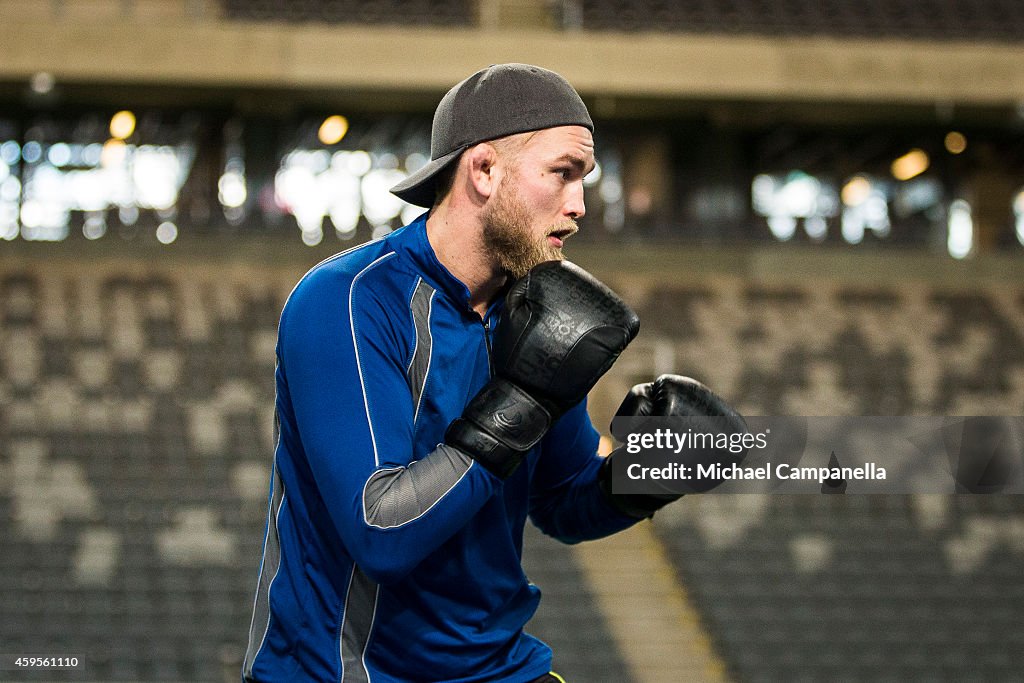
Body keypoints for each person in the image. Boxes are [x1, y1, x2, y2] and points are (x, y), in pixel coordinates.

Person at [243, 63, 742, 683]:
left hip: (502, 669)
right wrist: (522, 398)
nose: (580, 205)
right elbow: (381, 530)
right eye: (563, 174)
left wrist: (645, 477)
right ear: (484, 170)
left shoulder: (535, 311)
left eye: (584, 179)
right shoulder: (347, 302)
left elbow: (562, 503)